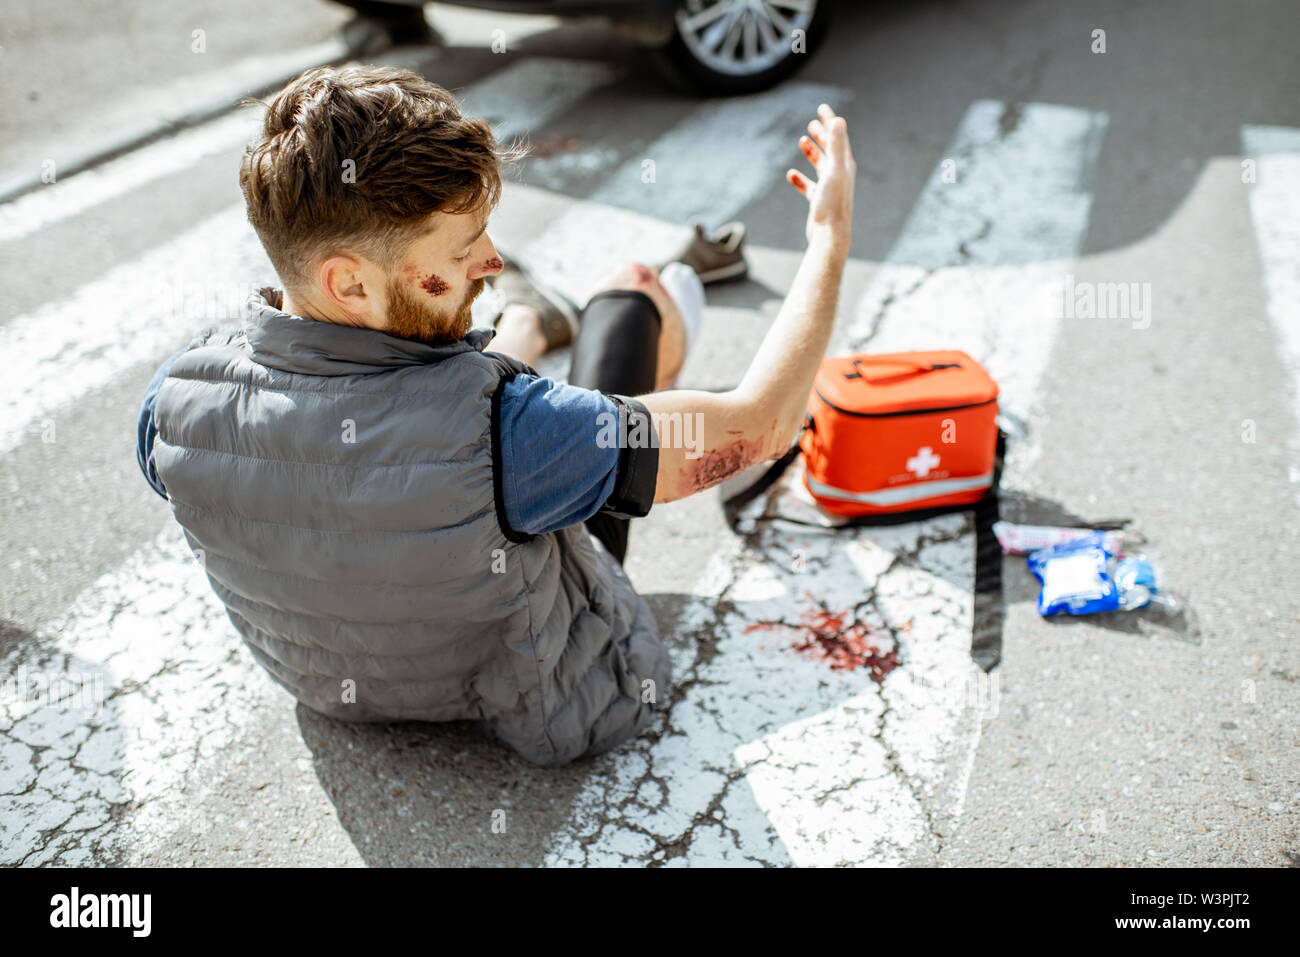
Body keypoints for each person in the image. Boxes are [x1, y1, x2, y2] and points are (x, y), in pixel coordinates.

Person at [135, 65, 856, 767]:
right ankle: (587, 312)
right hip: (549, 693)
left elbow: (342, 466)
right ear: (348, 280)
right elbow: (761, 422)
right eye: (463, 246)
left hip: (330, 690)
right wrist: (828, 236)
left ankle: (528, 326)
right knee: (632, 292)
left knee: (478, 412)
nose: (492, 257)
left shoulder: (173, 400)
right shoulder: (517, 430)